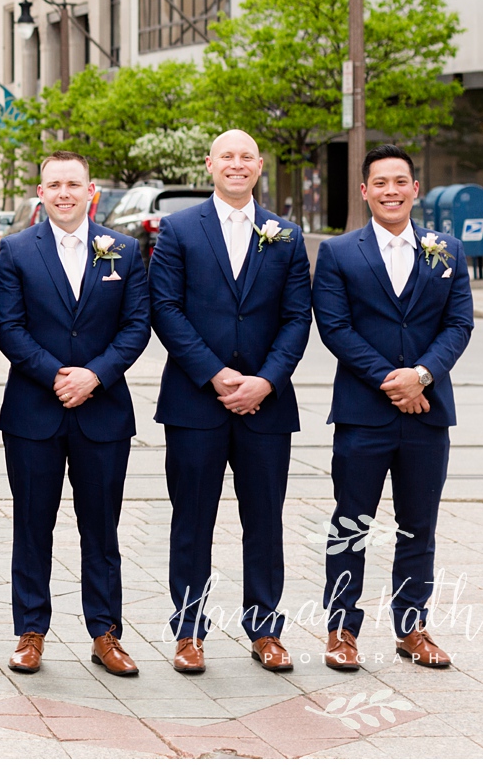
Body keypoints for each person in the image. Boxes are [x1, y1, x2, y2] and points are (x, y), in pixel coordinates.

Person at [149, 130, 312, 675]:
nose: (237, 165)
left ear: (259, 166)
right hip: (196, 402)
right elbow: (165, 309)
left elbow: (296, 317)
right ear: (210, 164)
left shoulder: (286, 235)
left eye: (246, 157)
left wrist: (265, 381)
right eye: (227, 157)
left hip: (267, 404)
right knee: (191, 519)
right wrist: (215, 374)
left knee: (264, 520)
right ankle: (189, 631)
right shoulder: (178, 229)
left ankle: (266, 629)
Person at [313, 143, 472, 672]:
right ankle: (341, 630)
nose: (390, 191)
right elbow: (335, 328)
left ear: (414, 190)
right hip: (363, 414)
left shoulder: (447, 250)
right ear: (364, 191)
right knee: (351, 525)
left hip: (428, 414)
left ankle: (412, 628)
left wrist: (421, 375)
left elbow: (459, 324)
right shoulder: (338, 253)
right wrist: (392, 380)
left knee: (418, 525)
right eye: (379, 183)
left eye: (399, 182)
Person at [0, 150, 150, 676]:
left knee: (101, 529)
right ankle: (30, 632)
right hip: (35, 410)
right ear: (40, 193)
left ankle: (106, 633)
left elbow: (136, 326)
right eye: (53, 184)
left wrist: (95, 376)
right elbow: (9, 328)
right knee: (32, 525)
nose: (63, 192)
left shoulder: (124, 251)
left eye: (73, 184)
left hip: (102, 411)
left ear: (91, 192)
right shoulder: (15, 250)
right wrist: (59, 374)